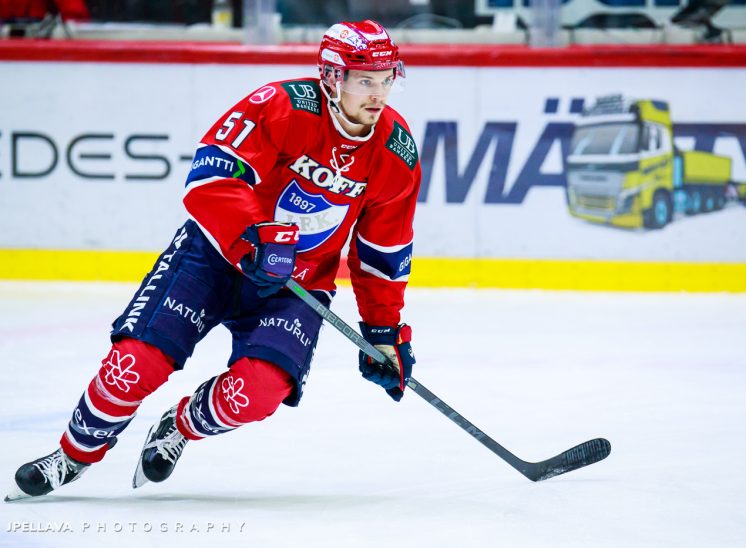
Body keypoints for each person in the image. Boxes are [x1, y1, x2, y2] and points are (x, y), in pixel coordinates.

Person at [5, 19, 420, 501]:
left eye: (386, 79)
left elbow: (382, 251)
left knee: (259, 391)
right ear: (331, 76)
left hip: (296, 285)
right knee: (134, 365)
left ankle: (180, 425)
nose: (378, 94)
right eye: (365, 81)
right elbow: (212, 172)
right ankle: (73, 455)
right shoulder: (282, 106)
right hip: (214, 257)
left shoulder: (396, 152)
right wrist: (256, 234)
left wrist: (383, 332)